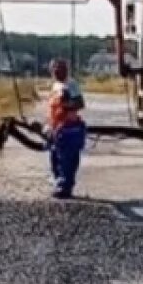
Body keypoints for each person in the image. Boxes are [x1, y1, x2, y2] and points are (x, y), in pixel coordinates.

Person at [46, 58, 86, 199]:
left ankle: (65, 187)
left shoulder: (71, 85)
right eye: (55, 69)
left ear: (66, 71)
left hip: (68, 129)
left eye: (60, 69)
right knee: (55, 159)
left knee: (67, 160)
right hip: (56, 128)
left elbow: (80, 103)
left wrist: (67, 103)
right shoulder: (55, 86)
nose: (57, 71)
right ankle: (59, 183)